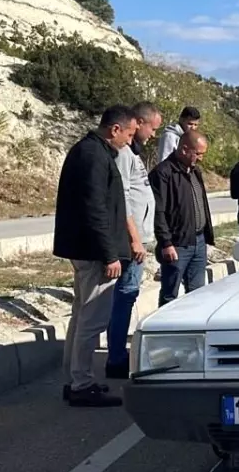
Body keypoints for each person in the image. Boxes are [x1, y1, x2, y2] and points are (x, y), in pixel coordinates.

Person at [52, 105, 137, 406]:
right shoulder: (94, 156)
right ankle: (81, 383)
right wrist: (110, 255)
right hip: (95, 253)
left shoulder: (90, 151)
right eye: (128, 134)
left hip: (86, 250)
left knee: (81, 315)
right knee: (92, 319)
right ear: (115, 129)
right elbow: (95, 209)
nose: (129, 141)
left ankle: (75, 377)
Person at [105, 101, 162, 379]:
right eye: (152, 128)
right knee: (125, 296)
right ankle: (115, 358)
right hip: (131, 241)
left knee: (128, 295)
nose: (153, 135)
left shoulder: (132, 153)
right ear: (139, 123)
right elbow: (123, 197)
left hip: (137, 239)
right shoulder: (123, 154)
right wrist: (135, 239)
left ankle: (117, 354)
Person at [149, 129, 214, 306]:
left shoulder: (195, 172)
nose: (201, 158)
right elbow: (158, 211)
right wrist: (166, 243)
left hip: (198, 242)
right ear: (185, 149)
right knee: (170, 294)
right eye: (198, 153)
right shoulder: (163, 173)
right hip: (177, 245)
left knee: (197, 292)